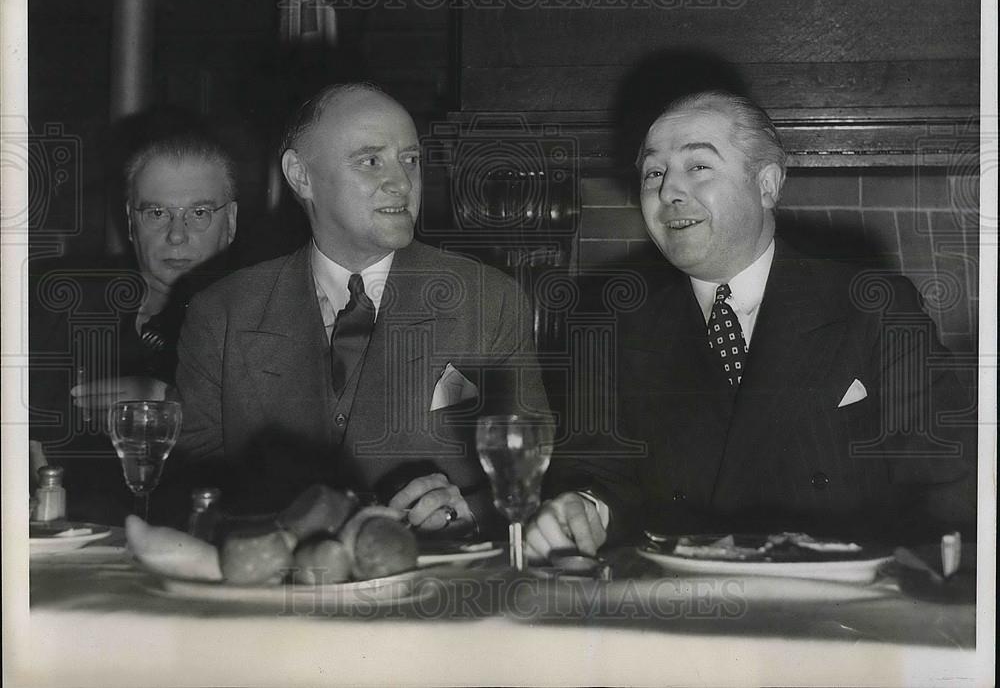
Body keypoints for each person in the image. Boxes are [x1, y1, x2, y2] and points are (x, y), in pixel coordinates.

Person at [526, 90, 976, 559]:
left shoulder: (874, 307)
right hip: (682, 612)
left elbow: (947, 485)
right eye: (654, 173)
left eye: (697, 166)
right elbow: (598, 478)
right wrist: (583, 510)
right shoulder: (613, 327)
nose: (668, 192)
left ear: (767, 184)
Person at [172, 83, 548, 535]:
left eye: (410, 159)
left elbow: (532, 472)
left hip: (430, 590)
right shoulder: (222, 313)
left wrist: (468, 510)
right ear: (300, 175)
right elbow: (190, 491)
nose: (401, 182)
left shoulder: (489, 301)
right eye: (371, 161)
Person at [30, 124, 238, 522]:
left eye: (199, 213)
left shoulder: (263, 317)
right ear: (130, 220)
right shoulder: (62, 306)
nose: (177, 235)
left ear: (230, 222)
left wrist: (170, 401)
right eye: (157, 212)